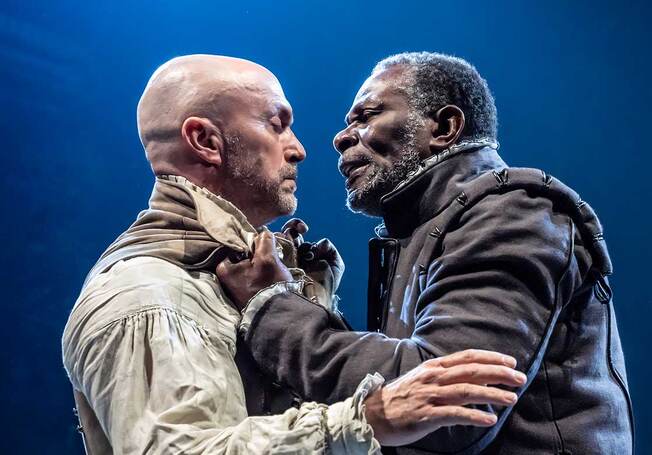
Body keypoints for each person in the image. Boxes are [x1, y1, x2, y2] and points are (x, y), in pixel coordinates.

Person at [61, 54, 526, 455]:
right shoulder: (148, 292)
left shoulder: (255, 273)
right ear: (206, 141)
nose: (300, 149)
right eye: (275, 123)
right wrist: (365, 420)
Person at [216, 52, 634, 454]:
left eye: (366, 116)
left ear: (445, 127)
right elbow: (406, 377)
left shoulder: (511, 215)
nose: (341, 137)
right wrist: (312, 300)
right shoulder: (433, 227)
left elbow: (450, 414)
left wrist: (274, 307)